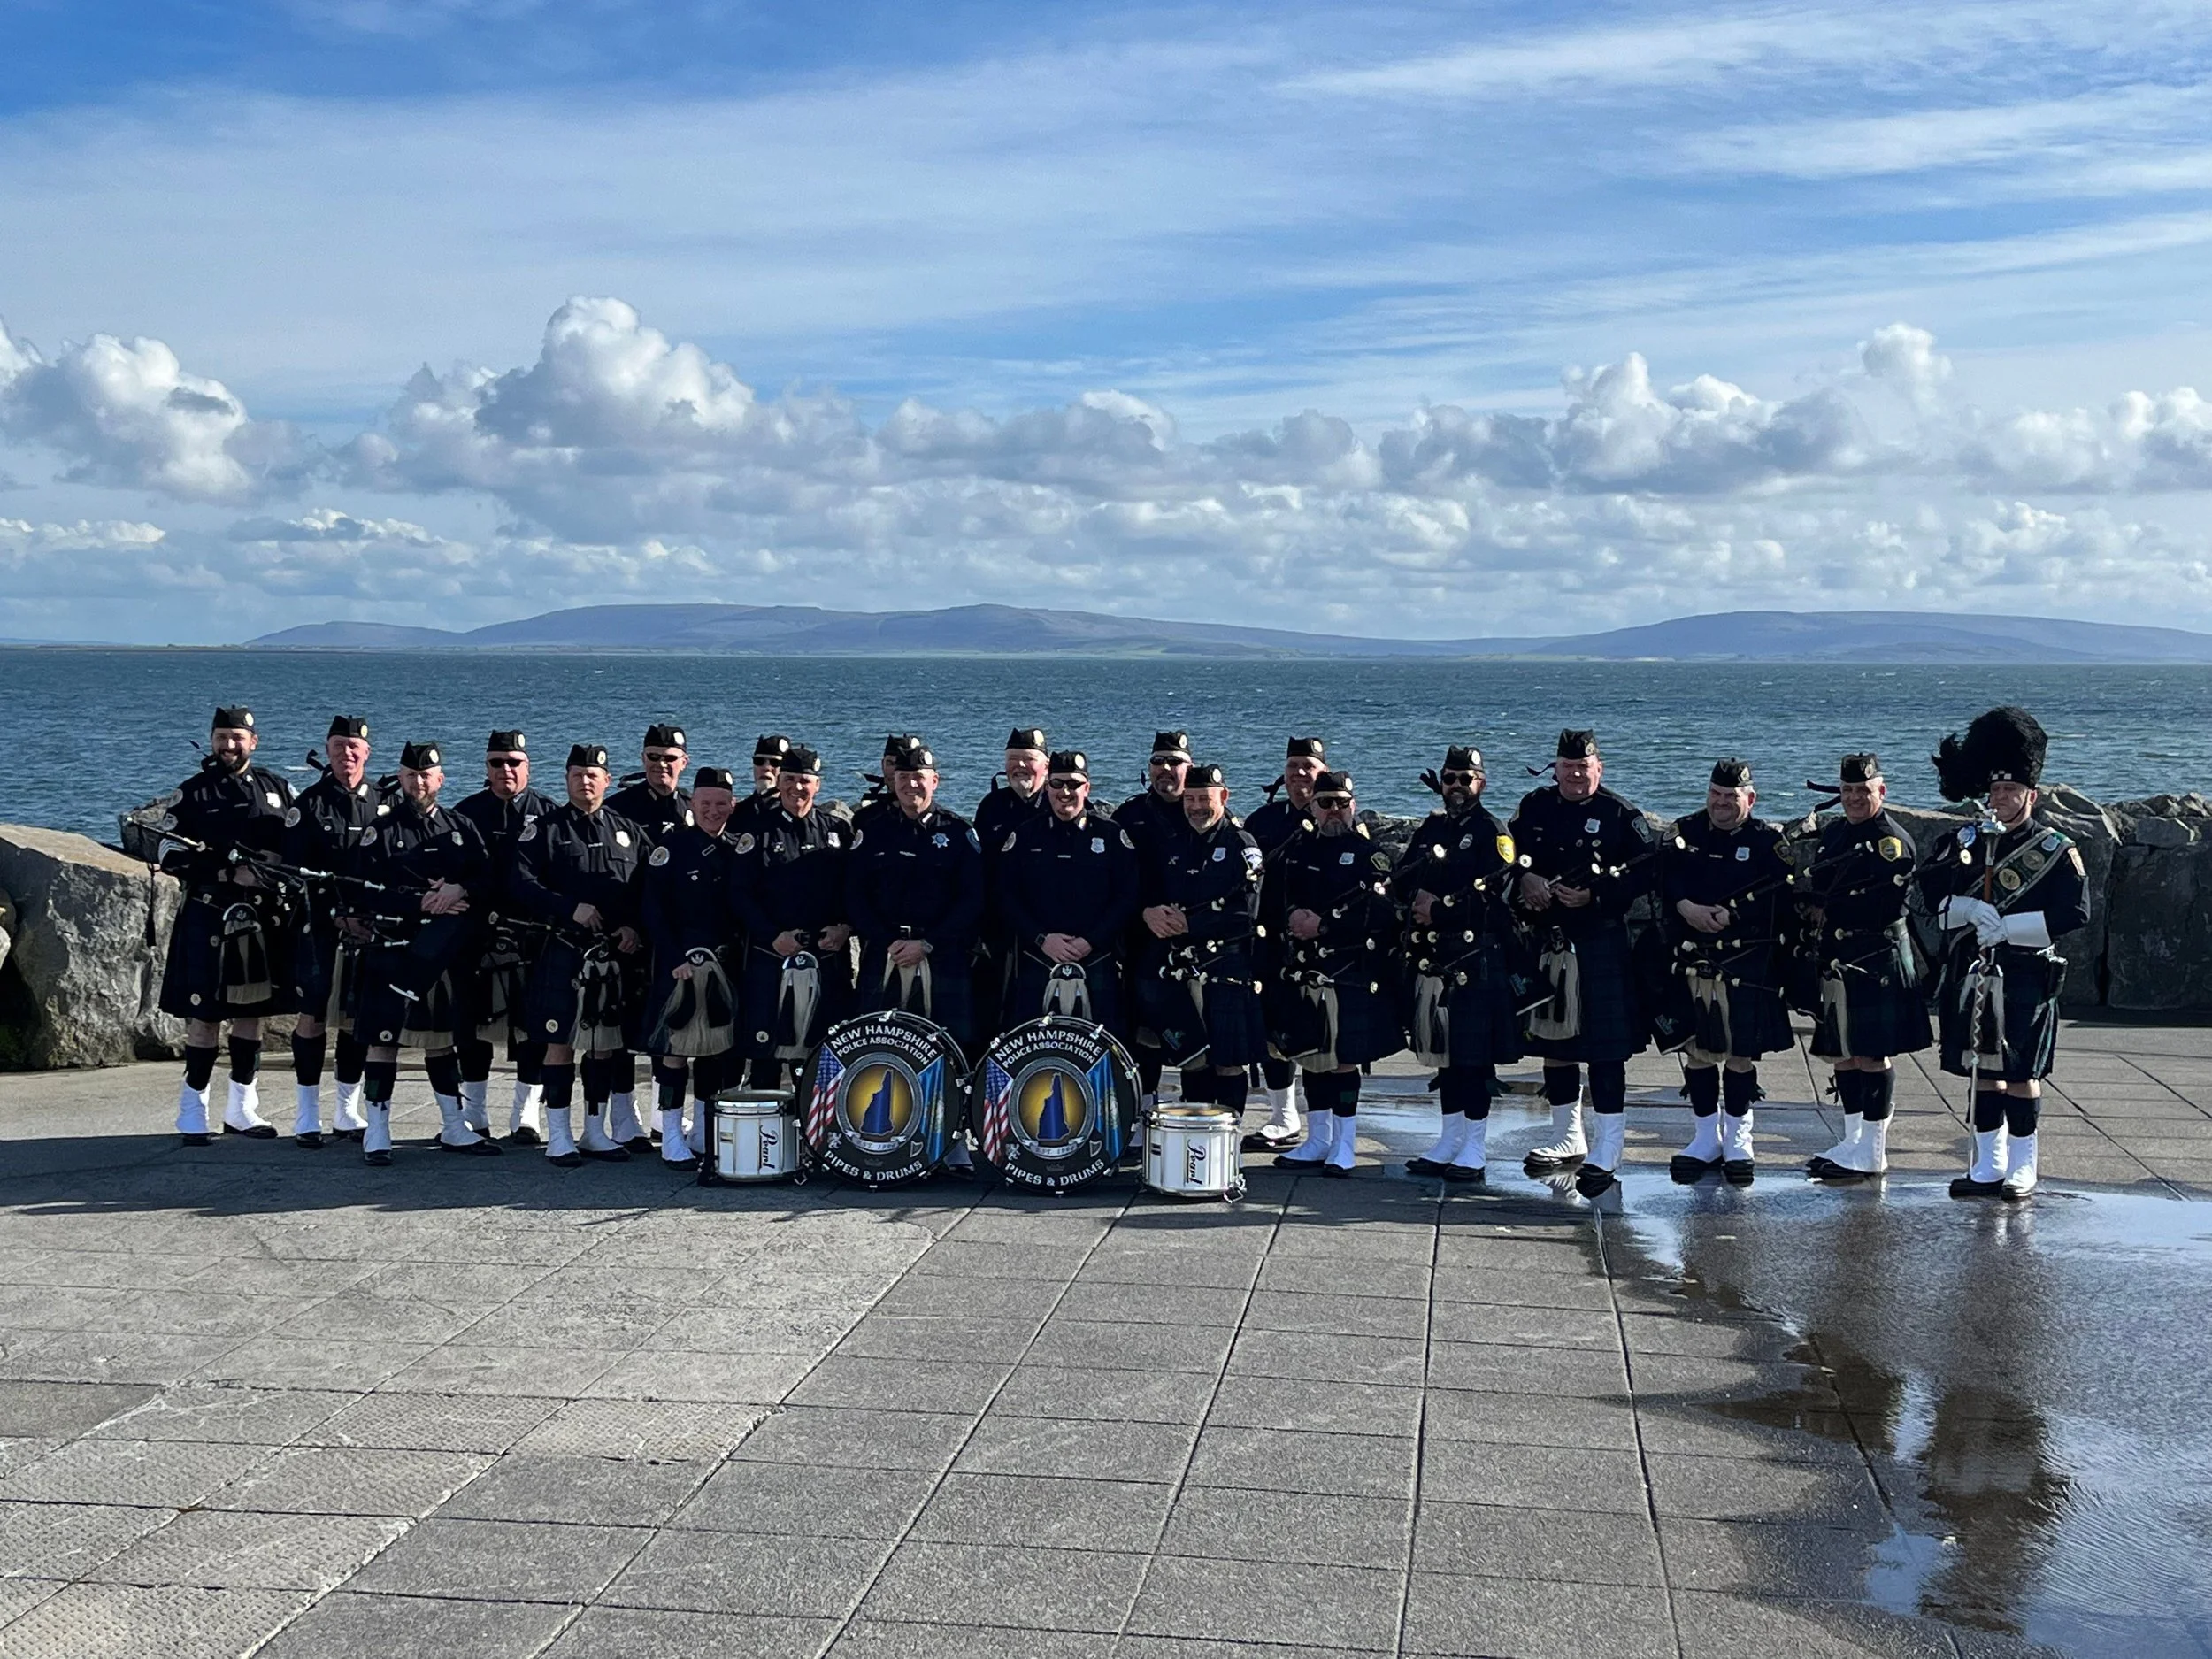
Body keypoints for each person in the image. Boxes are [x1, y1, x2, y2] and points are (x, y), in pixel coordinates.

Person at [1925, 708, 2089, 1201]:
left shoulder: (2056, 849)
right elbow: (1930, 896)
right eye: (1995, 791)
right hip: (1974, 972)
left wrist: (2011, 927)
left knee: (2021, 1072)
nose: (2000, 799)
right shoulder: (1965, 841)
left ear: (2030, 795)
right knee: (1981, 1068)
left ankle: (2023, 1166)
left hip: (2026, 971)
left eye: (2010, 791)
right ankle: (1988, 1164)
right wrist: (1968, 908)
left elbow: (2075, 912)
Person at [1509, 729, 1657, 1198]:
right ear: (1555, 767)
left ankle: (1610, 1145)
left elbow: (1648, 870)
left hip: (1599, 940)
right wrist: (1527, 878)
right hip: (1549, 940)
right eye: (1567, 766)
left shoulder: (1620, 815)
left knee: (1605, 1048)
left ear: (1599, 769)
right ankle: (1567, 1134)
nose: (1575, 774)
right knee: (1557, 1039)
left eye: (1583, 767)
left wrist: (1597, 894)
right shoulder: (1534, 807)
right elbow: (1506, 855)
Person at [156, 705, 296, 1145]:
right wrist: (223, 873)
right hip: (209, 914)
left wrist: (270, 871)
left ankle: (242, 1108)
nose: (228, 745)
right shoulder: (192, 793)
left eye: (237, 738)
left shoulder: (278, 790)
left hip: (262, 917)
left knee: (252, 1014)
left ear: (253, 742)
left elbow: (299, 849)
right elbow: (167, 852)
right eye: (221, 737)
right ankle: (191, 1112)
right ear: (212, 740)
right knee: (205, 1016)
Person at [349, 742, 496, 1165]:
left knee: (439, 1041)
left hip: (443, 951)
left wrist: (460, 890)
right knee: (382, 1042)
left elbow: (488, 879)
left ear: (440, 779)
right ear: (400, 778)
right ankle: (376, 1130)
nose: (419, 782)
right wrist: (419, 903)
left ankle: (453, 1125)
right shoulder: (381, 831)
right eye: (411, 775)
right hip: (393, 946)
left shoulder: (461, 827)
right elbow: (360, 889)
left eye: (427, 775)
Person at [510, 743, 649, 1166]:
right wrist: (568, 907)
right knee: (559, 1044)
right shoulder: (544, 831)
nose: (585, 782)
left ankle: (594, 1130)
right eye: (576, 775)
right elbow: (520, 884)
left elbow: (645, 891)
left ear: (607, 781)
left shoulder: (627, 831)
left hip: (611, 956)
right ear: (566, 780)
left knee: (603, 1047)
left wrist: (633, 929)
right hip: (563, 950)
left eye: (593, 776)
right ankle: (558, 1135)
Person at [1658, 759, 1793, 1186]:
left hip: (1745, 957)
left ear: (1749, 799)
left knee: (1739, 1053)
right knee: (1697, 1050)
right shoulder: (1686, 832)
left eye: (1730, 797)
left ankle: (1739, 1140)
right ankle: (1704, 1137)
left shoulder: (1769, 842)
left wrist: (1733, 914)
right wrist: (1686, 907)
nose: (1720, 803)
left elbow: (1783, 897)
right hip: (1693, 953)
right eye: (1715, 794)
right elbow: (1664, 878)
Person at [1801, 754, 1932, 1183]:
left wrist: (1827, 907)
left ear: (1882, 791)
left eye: (1863, 791)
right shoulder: (1837, 832)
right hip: (1839, 956)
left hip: (1876, 956)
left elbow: (1877, 905)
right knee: (1843, 1052)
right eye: (1848, 791)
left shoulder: (1891, 841)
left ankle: (1873, 1152)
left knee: (1873, 1054)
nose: (1855, 799)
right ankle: (1852, 1141)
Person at [1265, 771, 1403, 1176]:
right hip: (1304, 970)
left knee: (1343, 1060)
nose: (1334, 812)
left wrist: (1324, 926)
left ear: (1353, 805)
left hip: (1348, 969)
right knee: (1312, 1057)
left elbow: (1383, 914)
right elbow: (1275, 899)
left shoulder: (1368, 854)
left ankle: (1344, 1144)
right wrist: (1293, 916)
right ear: (1312, 806)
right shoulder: (1296, 851)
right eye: (1325, 804)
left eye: (1342, 803)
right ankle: (1317, 1138)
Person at [1395, 745, 1522, 1183]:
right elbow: (1403, 877)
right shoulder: (1432, 827)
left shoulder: (1494, 832)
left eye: (1465, 779)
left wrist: (1440, 911)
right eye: (1449, 778)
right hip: (1435, 956)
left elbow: (1496, 897)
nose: (1455, 787)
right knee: (1445, 1055)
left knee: (1474, 1058)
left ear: (1480, 783)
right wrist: (1416, 902)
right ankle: (1448, 1140)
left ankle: (1475, 1146)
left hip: (1476, 956)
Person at [1136, 762, 1267, 1130]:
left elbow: (1247, 910)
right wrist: (1151, 913)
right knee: (1192, 1056)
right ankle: (1194, 1136)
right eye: (1190, 798)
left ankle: (1228, 1140)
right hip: (1182, 967)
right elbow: (1152, 892)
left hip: (1227, 966)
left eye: (1204, 798)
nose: (1196, 806)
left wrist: (1191, 923)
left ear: (1223, 797)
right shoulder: (1174, 846)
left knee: (1227, 1060)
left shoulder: (1242, 846)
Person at [282, 715, 383, 1148]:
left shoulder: (383, 803)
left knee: (356, 1018)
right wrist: (334, 913)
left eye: (354, 746)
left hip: (369, 929)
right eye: (339, 745)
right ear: (327, 750)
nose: (347, 753)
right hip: (320, 927)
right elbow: (290, 873)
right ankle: (307, 1113)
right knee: (312, 1015)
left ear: (367, 752)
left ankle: (346, 1109)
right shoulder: (308, 805)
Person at [451, 730, 555, 1145]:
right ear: (486, 767)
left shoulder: (548, 814)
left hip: (532, 933)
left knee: (533, 1025)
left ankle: (525, 1112)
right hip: (477, 930)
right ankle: (473, 1110)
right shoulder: (466, 812)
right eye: (497, 763)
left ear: (527, 767)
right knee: (471, 1025)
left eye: (514, 762)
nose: (506, 770)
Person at [639, 766, 743, 1171]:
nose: (712, 811)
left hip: (724, 966)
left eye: (720, 804)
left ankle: (701, 1130)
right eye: (705, 804)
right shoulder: (671, 850)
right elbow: (654, 911)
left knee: (714, 1052)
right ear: (692, 804)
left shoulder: (738, 849)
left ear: (732, 806)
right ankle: (670, 1134)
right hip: (680, 964)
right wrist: (672, 959)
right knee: (675, 1053)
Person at [730, 746, 853, 1088]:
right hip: (773, 956)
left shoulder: (838, 832)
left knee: (822, 1058)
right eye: (789, 780)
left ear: (818, 785)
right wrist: (770, 935)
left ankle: (815, 1138)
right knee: (767, 1056)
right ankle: (767, 1141)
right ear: (779, 782)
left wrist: (846, 927)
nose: (797, 788)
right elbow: (739, 894)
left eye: (805, 781)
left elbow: (855, 890)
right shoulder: (757, 832)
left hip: (827, 958)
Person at [995, 750, 1141, 1037]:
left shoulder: (1112, 836)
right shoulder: (1025, 836)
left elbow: (1128, 897)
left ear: (1087, 788)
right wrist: (1040, 939)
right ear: (1047, 786)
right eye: (1057, 783)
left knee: (1105, 1050)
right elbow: (1005, 896)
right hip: (1039, 957)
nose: (1065, 792)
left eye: (1074, 784)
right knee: (1028, 1047)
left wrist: (1092, 940)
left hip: (1096, 958)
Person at [603, 723, 694, 1148]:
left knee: (669, 1027)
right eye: (653, 757)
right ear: (642, 760)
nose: (661, 766)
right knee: (620, 1028)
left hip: (674, 939)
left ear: (684, 763)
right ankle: (623, 1115)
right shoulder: (619, 808)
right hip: (630, 936)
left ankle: (663, 1114)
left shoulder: (693, 810)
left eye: (670, 759)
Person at [1240, 736, 1327, 1149]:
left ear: (1322, 772)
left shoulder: (1335, 816)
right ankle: (1283, 1116)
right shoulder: (1263, 821)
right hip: (1269, 940)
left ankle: (1324, 1127)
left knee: (1318, 1033)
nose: (1299, 774)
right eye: (1293, 766)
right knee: (1272, 1030)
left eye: (1307, 767)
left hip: (1319, 943)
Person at [1118, 731, 1194, 1108]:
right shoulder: (1129, 815)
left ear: (1189, 767)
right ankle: (1142, 1112)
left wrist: (1189, 919)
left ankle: (1199, 1116)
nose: (1166, 769)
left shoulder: (1203, 808)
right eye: (1158, 762)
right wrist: (1143, 911)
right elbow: (1112, 879)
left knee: (1198, 1035)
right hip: (1141, 937)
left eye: (1175, 762)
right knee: (1142, 1032)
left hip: (1195, 940)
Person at [973, 727, 1051, 1048]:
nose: (1019, 767)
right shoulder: (991, 806)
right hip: (999, 932)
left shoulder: (1060, 802)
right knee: (993, 1016)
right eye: (1013, 760)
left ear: (1045, 766)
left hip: (1047, 933)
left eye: (1028, 760)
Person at [727, 735, 791, 839]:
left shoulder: (794, 812)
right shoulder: (738, 813)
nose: (766, 768)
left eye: (775, 763)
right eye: (759, 761)